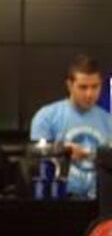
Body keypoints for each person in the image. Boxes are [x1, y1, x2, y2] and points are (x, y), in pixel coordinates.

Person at [30, 54, 112, 199]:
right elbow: (34, 157)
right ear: (69, 85)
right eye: (83, 87)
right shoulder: (47, 116)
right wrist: (63, 149)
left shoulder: (108, 120)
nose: (89, 94)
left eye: (95, 87)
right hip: (59, 201)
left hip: (100, 202)